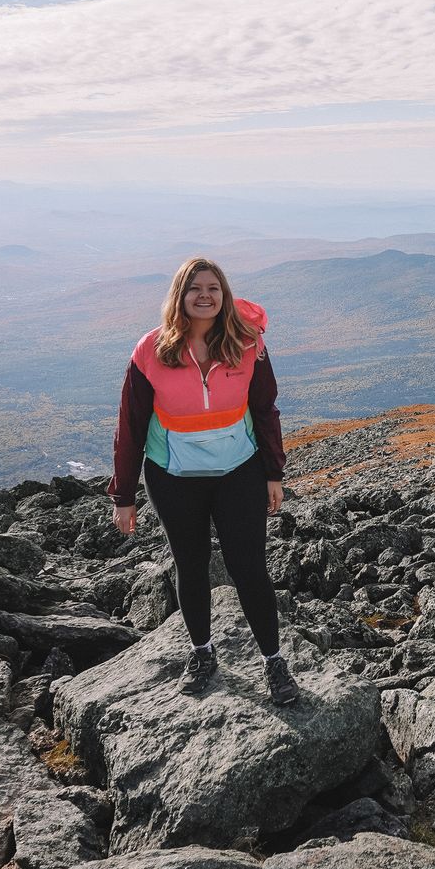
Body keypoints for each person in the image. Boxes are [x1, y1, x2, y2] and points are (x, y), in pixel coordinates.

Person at [109, 256, 300, 704]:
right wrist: (123, 493)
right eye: (194, 288)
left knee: (249, 566)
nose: (205, 295)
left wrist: (274, 473)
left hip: (239, 470)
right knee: (190, 564)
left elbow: (265, 409)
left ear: (224, 295)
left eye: (213, 288)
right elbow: (130, 425)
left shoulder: (249, 344)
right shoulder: (150, 351)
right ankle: (201, 652)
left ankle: (273, 662)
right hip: (172, 474)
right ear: (180, 296)